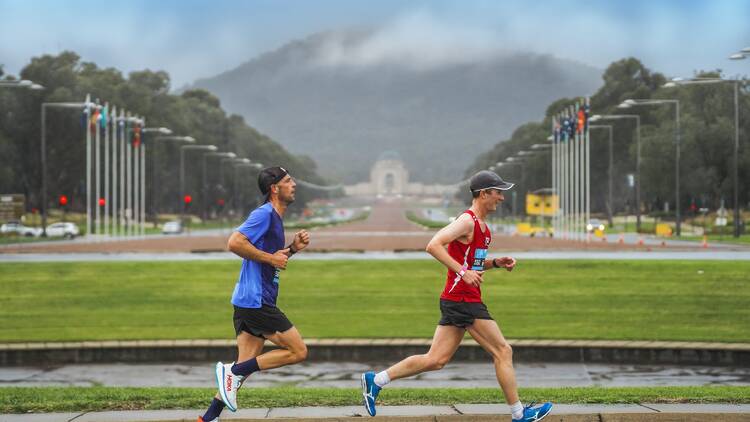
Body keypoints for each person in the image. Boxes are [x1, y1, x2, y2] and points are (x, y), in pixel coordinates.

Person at [361, 170, 552, 422]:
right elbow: (433, 245)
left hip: (459, 299)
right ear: (483, 194)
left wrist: (495, 263)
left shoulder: (482, 227)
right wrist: (463, 272)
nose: (501, 198)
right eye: (497, 193)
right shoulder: (467, 221)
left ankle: (376, 380)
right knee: (503, 351)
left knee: (436, 360)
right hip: (463, 299)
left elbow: (472, 263)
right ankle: (519, 414)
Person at [198, 166, 311, 422]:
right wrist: (271, 257)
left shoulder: (274, 218)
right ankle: (232, 371)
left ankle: (208, 418)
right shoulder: (264, 214)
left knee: (244, 368)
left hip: (248, 300)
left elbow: (270, 259)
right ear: (274, 188)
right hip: (256, 300)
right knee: (298, 351)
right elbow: (234, 242)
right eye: (288, 180)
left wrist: (292, 249)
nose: (294, 184)